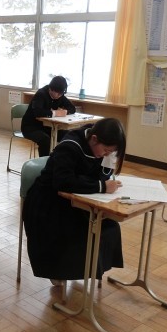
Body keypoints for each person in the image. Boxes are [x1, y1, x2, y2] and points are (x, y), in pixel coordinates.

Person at [23, 118, 126, 285]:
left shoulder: (97, 146)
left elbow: (99, 175)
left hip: (76, 199)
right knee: (78, 232)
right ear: (94, 139)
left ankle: (87, 270)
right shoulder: (70, 146)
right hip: (48, 201)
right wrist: (101, 186)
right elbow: (63, 182)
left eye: (110, 152)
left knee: (109, 226)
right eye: (106, 150)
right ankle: (59, 271)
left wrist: (106, 170)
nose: (106, 155)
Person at [21, 75, 76, 156]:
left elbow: (72, 108)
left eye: (61, 93)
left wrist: (65, 111)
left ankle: (61, 159)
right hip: (31, 127)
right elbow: (38, 112)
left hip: (47, 127)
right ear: (51, 88)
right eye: (57, 93)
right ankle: (44, 162)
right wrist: (55, 113)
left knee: (69, 135)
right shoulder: (41, 94)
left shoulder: (60, 95)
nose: (59, 95)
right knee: (45, 140)